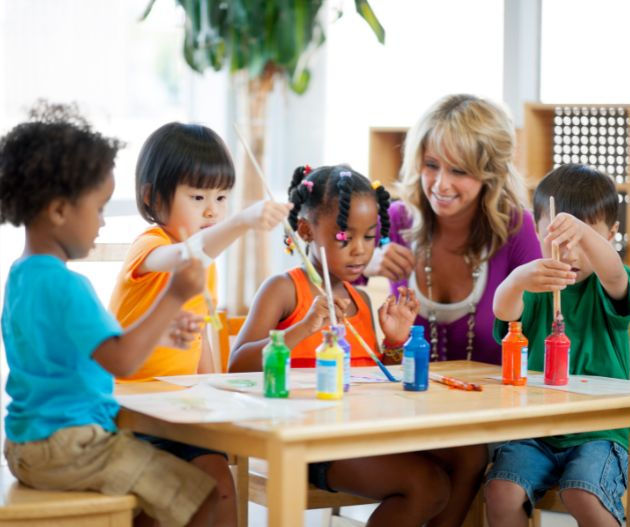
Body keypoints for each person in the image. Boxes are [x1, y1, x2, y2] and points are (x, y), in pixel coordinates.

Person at [0, 102, 225, 526]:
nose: (103, 223)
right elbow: (121, 358)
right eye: (99, 208)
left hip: (25, 443)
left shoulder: (22, 276)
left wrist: (161, 333)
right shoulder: (66, 285)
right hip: (71, 445)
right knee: (203, 497)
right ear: (59, 211)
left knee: (157, 497)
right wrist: (175, 293)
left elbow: (88, 349)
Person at [229, 164, 485, 527]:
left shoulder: (361, 300)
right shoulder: (284, 290)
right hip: (309, 443)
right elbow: (236, 367)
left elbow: (377, 384)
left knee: (471, 455)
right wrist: (304, 328)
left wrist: (395, 343)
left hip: (364, 433)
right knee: (426, 486)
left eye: (370, 237)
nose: (360, 252)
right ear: (305, 230)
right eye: (344, 238)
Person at [108, 121, 292, 525]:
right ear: (152, 197)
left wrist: (215, 395)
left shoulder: (205, 268)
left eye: (222, 197)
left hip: (179, 411)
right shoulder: (152, 246)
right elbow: (187, 254)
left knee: (220, 485)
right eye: (198, 196)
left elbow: (200, 344)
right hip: (128, 416)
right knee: (158, 505)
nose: (212, 210)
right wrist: (242, 221)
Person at [485, 164, 629, 527]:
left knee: (583, 491)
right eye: (559, 236)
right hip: (535, 430)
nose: (570, 252)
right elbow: (504, 312)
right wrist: (516, 281)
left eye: (584, 239)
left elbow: (613, 272)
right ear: (536, 230)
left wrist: (579, 230)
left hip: (601, 431)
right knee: (501, 492)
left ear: (612, 234)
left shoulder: (608, 285)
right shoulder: (534, 283)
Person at [362, 94, 541, 364]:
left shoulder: (516, 228)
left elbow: (541, 326)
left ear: (490, 173)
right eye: (431, 165)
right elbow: (324, 287)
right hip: (411, 399)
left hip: (497, 403)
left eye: (458, 171)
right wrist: (365, 263)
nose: (440, 185)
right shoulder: (395, 220)